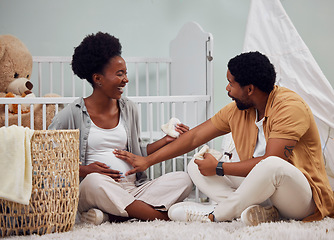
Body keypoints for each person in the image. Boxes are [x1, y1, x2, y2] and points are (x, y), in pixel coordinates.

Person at [114, 51, 334, 226]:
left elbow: (271, 162)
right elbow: (194, 138)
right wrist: (148, 160)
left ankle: (216, 215)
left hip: (300, 198)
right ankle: (253, 212)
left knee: (272, 165)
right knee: (196, 164)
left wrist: (220, 168)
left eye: (231, 83)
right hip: (258, 192)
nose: (227, 88)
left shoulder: (289, 107)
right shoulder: (238, 109)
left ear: (249, 89)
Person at [48, 32, 193, 224]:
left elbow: (136, 154)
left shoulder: (129, 108)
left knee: (184, 179)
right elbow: (47, 158)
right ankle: (159, 217)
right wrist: (84, 170)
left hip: (132, 188)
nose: (126, 79)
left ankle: (112, 215)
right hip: (95, 188)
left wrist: (166, 141)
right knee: (95, 182)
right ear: (98, 78)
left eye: (125, 73)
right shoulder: (73, 112)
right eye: (120, 74)